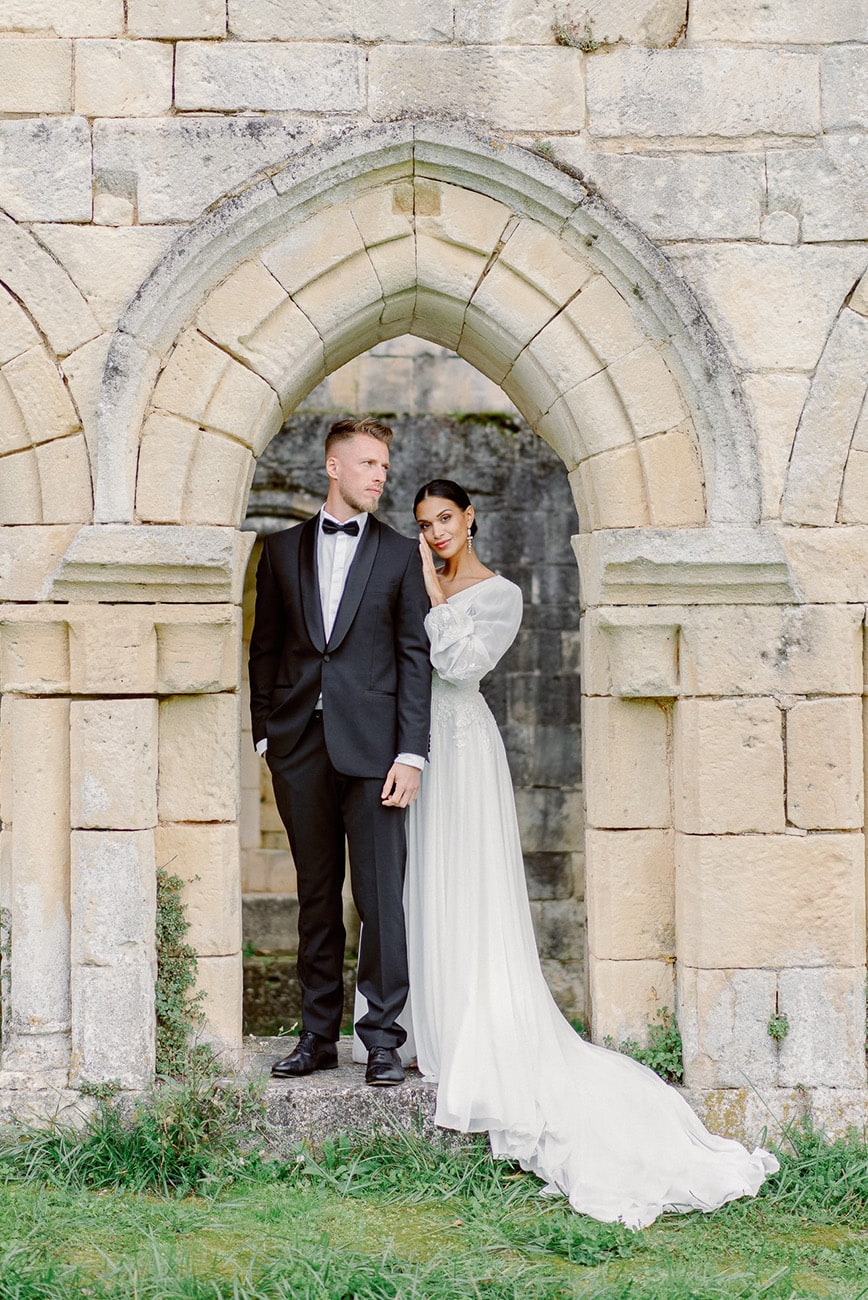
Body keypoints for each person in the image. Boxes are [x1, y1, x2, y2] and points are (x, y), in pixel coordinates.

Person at [404, 477, 779, 1229]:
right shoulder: (432, 576)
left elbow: (461, 668)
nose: (437, 532)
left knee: (468, 883)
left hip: (465, 742)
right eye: (424, 523)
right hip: (417, 747)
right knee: (423, 884)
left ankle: (484, 1031)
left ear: (470, 517)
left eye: (446, 519)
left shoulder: (497, 592)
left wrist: (430, 591)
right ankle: (426, 1020)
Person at [248, 418, 431, 1087]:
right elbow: (264, 648)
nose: (379, 476)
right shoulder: (279, 550)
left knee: (381, 900)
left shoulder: (399, 553)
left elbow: (416, 659)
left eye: (384, 465)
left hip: (379, 753)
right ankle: (316, 1037)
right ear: (333, 467)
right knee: (315, 897)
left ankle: (382, 1040)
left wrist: (412, 753)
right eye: (367, 464)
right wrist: (266, 732)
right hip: (299, 749)